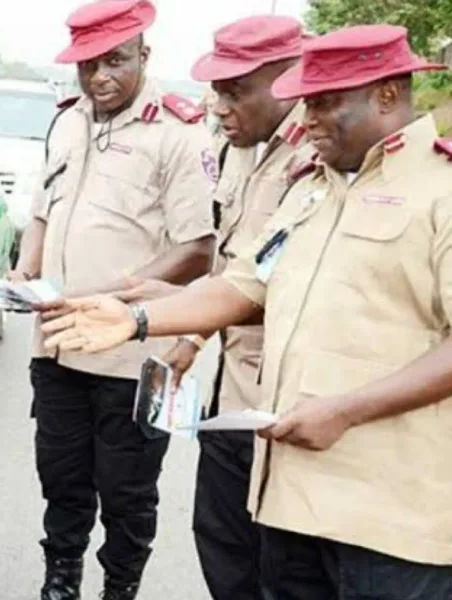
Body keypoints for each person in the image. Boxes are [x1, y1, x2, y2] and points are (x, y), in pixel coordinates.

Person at [40, 24, 452, 598]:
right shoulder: (317, 189)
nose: (306, 119)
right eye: (305, 100)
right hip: (292, 498)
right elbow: (246, 283)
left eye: (325, 101)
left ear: (386, 95)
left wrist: (346, 411)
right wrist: (137, 319)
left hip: (391, 520)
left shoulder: (440, 192)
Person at [10, 1, 217, 597]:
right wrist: (27, 269)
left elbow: (197, 250)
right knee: (62, 479)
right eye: (87, 65)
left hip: (132, 356)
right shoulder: (67, 121)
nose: (99, 77)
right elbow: (42, 214)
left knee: (127, 494)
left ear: (144, 57)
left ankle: (119, 588)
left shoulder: (178, 133)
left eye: (115, 61)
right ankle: (61, 580)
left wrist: (104, 301)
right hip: (55, 349)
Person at [117, 16, 312, 600]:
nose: (219, 107)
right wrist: (190, 343)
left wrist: (170, 308)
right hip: (231, 397)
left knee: (282, 570)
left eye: (234, 90)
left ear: (287, 78)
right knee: (222, 545)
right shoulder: (240, 152)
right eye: (216, 90)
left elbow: (292, 290)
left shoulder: (320, 157)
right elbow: (233, 268)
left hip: (288, 406)